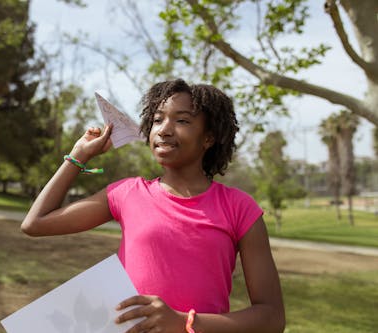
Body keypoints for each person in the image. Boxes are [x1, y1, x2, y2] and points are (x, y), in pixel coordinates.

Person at [21, 78, 285, 333]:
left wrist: (185, 323)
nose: (164, 129)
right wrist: (78, 155)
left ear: (209, 138)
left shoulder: (240, 208)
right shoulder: (126, 193)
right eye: (158, 119)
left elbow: (272, 318)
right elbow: (35, 223)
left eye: (182, 120)